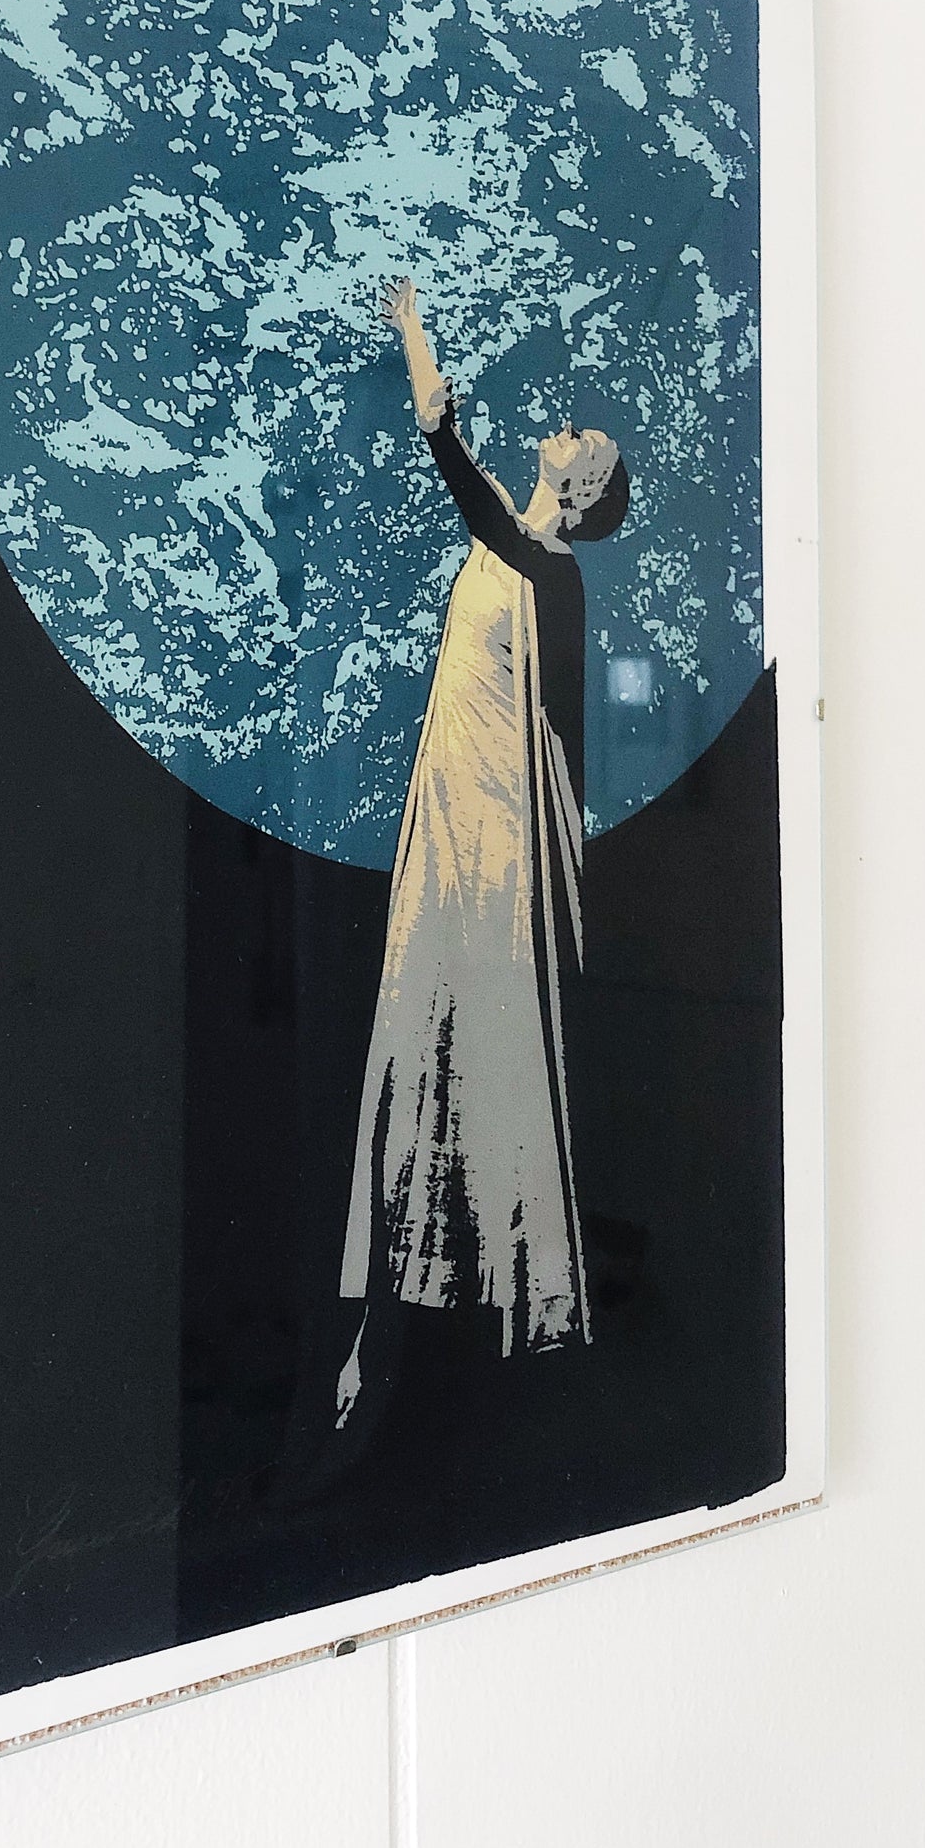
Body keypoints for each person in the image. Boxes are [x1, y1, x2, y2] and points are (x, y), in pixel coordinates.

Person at [336, 278, 630, 1420]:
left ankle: (472, 1342)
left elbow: (442, 443)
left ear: (580, 487)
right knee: (423, 1044)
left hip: (496, 845)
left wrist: (414, 331)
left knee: (478, 1051)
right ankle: (400, 1328)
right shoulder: (516, 539)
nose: (565, 428)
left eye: (581, 441)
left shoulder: (547, 568)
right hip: (454, 816)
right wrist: (413, 337)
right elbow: (451, 450)